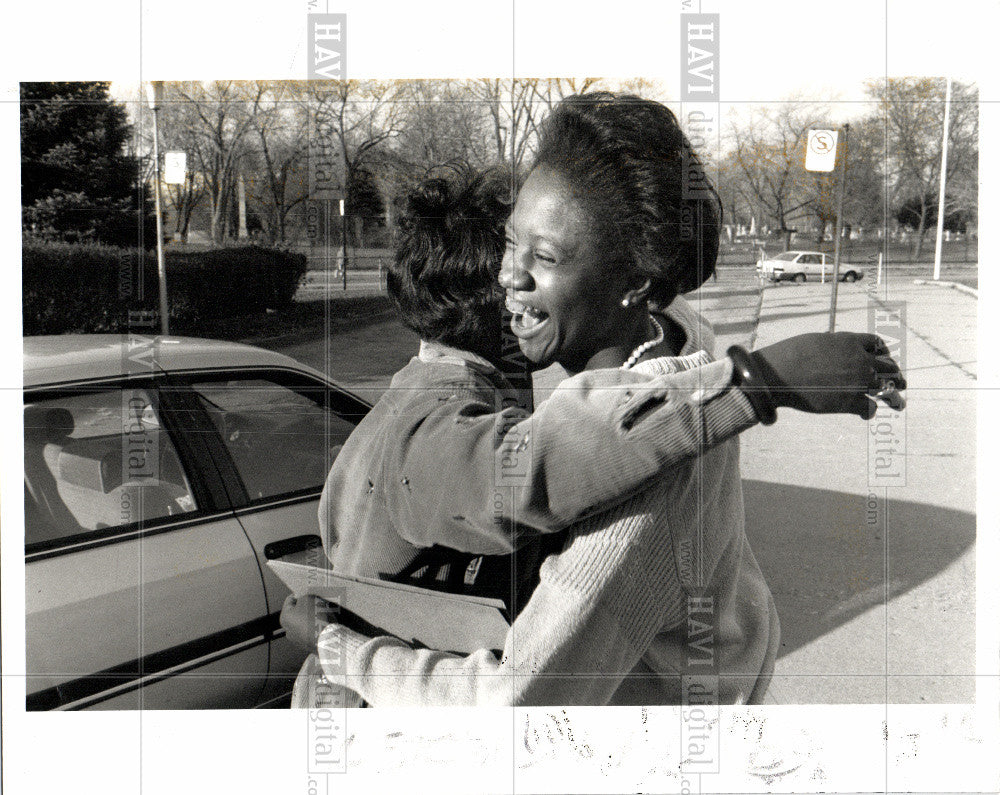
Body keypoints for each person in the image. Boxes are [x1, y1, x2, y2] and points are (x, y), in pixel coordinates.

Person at [282, 97, 904, 705]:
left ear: (635, 284)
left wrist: (342, 652)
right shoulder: (678, 346)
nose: (507, 275)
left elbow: (513, 704)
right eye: (510, 242)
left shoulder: (644, 490)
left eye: (545, 256)